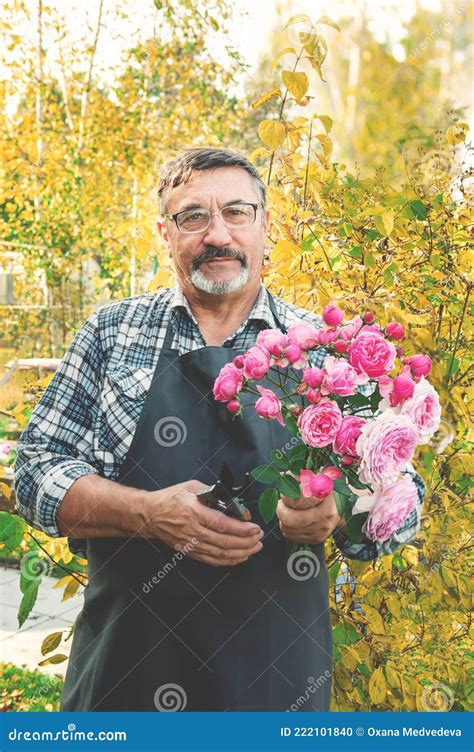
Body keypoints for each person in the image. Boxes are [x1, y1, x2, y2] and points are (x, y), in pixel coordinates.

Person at [14, 147, 425, 712]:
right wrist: (145, 513)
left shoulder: (326, 351)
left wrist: (345, 508)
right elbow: (34, 472)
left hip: (276, 688)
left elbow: (403, 502)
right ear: (165, 232)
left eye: (237, 212)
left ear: (265, 226)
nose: (217, 235)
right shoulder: (111, 332)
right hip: (124, 677)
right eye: (193, 217)